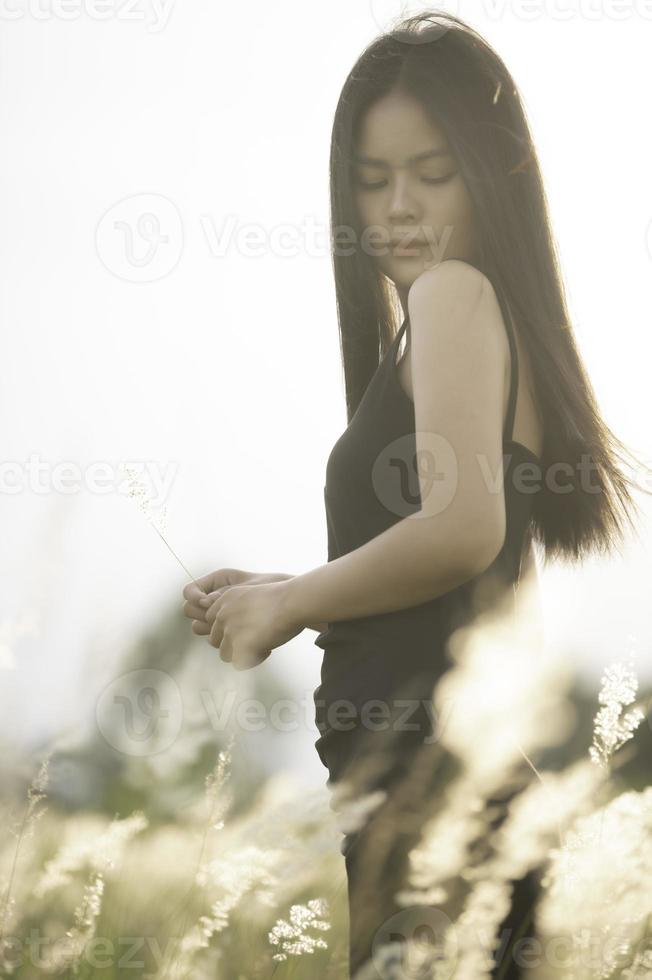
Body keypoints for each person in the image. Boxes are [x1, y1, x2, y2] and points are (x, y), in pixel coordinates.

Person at [182, 10, 651, 977]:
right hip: (443, 795)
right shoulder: (459, 321)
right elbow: (437, 565)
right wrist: (285, 584)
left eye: (432, 174)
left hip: (431, 794)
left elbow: (463, 529)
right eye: (372, 178)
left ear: (495, 178)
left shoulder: (452, 296)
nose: (399, 204)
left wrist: (288, 603)